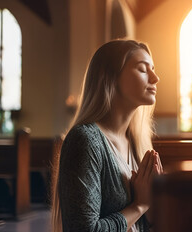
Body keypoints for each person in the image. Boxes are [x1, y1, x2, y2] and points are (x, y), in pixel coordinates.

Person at [51, 40, 163, 232]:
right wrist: (139, 206)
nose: (155, 78)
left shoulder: (138, 143)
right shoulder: (85, 140)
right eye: (143, 69)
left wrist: (155, 204)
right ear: (111, 77)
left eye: (152, 69)